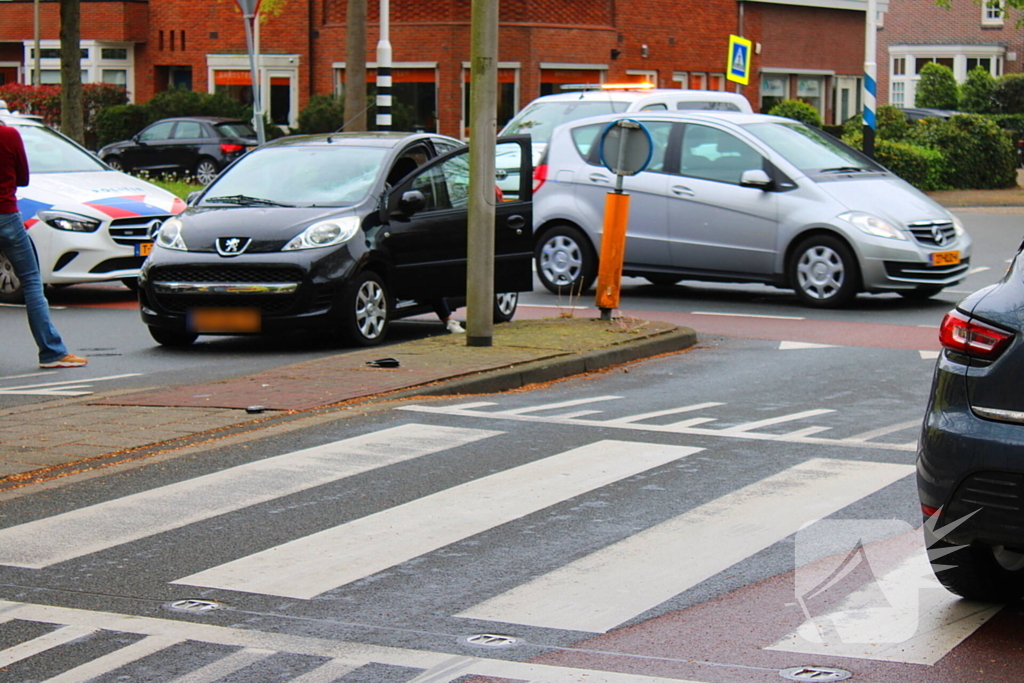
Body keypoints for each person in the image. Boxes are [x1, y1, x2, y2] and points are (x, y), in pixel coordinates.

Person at [0, 119, 87, 369]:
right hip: (6, 215)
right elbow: (23, 178)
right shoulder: (9, 134)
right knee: (30, 281)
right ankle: (51, 352)